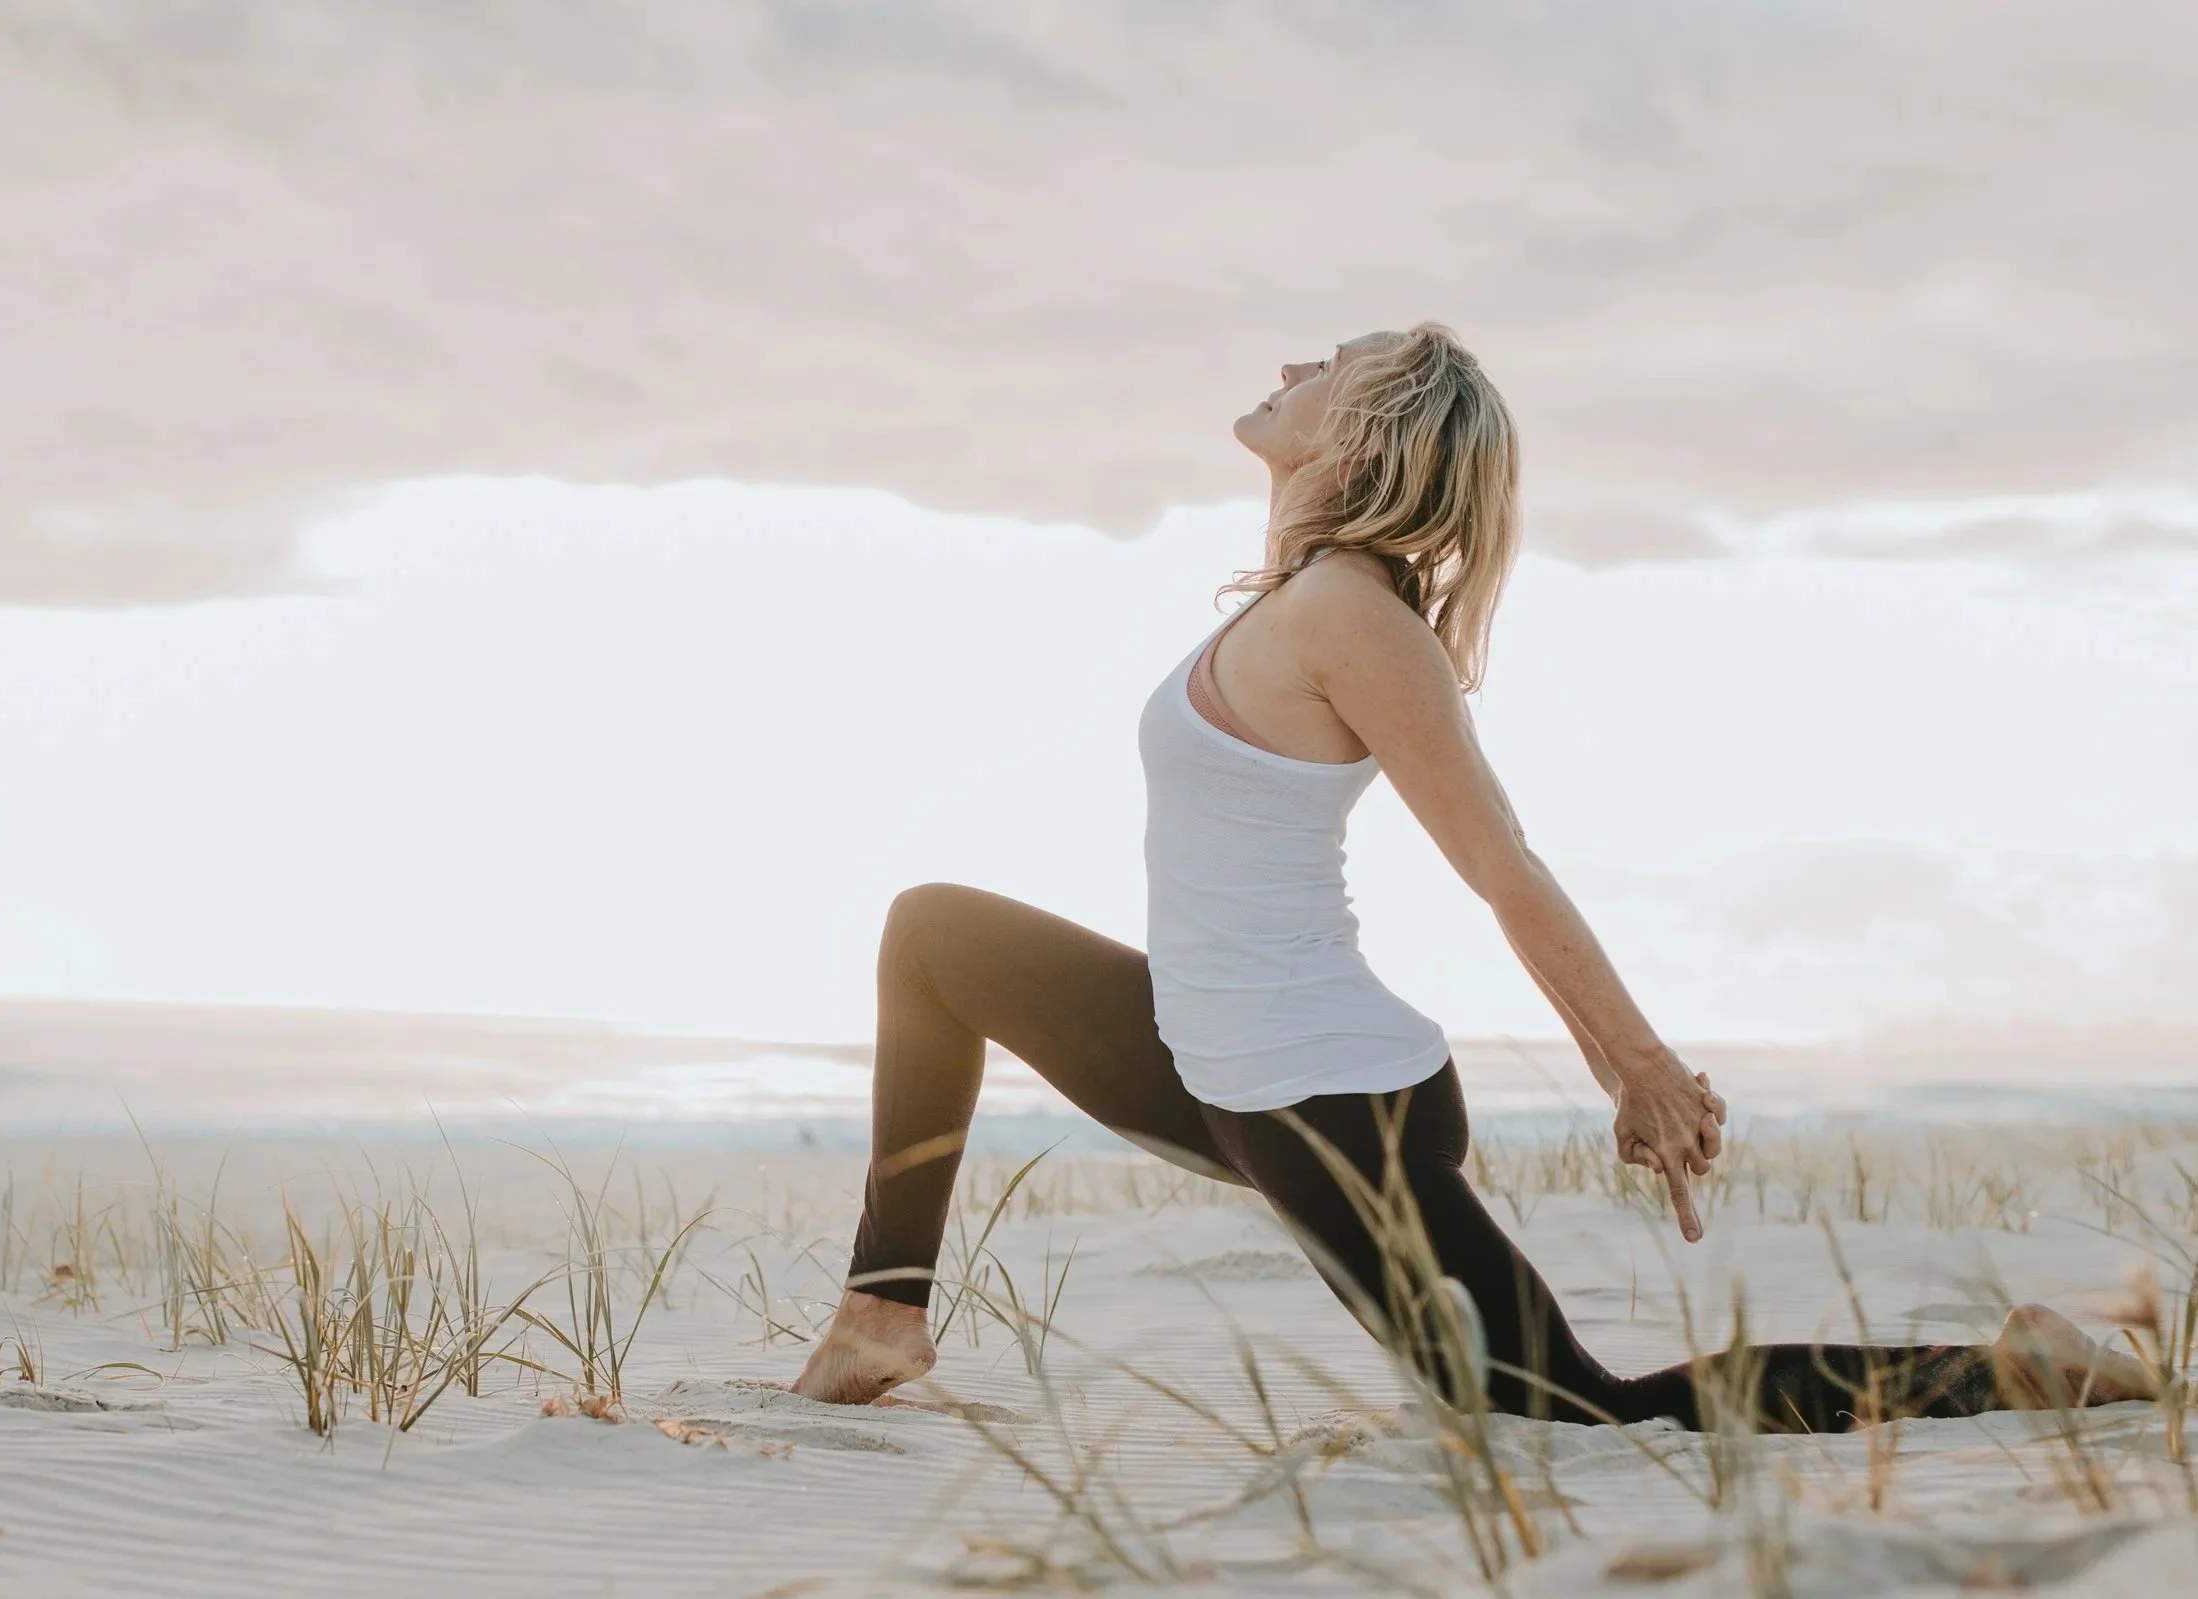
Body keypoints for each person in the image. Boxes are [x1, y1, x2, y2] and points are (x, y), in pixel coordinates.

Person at [790, 325, 2156, 1431]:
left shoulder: (1352, 616)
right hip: (1208, 1059)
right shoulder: (1291, 600)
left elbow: (1502, 863)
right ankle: (882, 1312)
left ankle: (2007, 1366)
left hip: (1328, 1103)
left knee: (1570, 1412)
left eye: (1322, 363)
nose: (1285, 366)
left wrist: (1638, 1065)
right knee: (934, 934)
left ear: (1366, 424)